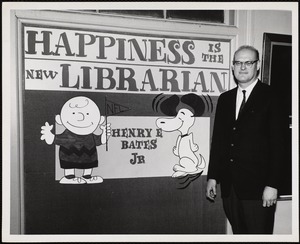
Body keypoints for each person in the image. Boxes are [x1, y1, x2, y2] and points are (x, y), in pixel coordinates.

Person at [206, 45, 288, 234]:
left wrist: (273, 184)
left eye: (248, 62)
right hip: (230, 188)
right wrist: (212, 177)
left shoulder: (272, 97)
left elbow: (280, 146)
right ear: (233, 66)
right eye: (238, 63)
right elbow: (218, 142)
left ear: (257, 65)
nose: (242, 67)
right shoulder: (225, 99)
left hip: (259, 189)